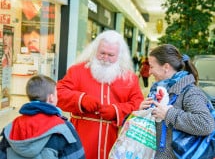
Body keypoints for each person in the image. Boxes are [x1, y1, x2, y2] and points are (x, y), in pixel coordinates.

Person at [57, 30, 144, 159]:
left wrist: (116, 111)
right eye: (102, 53)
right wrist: (81, 100)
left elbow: (139, 105)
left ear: (119, 56)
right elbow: (59, 93)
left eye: (111, 55)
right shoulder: (77, 71)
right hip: (82, 137)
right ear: (95, 50)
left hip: (114, 139)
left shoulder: (129, 77)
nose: (105, 58)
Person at [139, 44, 215, 159]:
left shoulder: (190, 92)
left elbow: (206, 124)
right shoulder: (159, 89)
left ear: (166, 67)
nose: (149, 72)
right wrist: (142, 111)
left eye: (152, 67)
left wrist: (168, 114)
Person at [0, 74, 86, 159]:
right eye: (56, 94)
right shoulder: (63, 128)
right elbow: (77, 156)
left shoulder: (11, 127)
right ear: (51, 98)